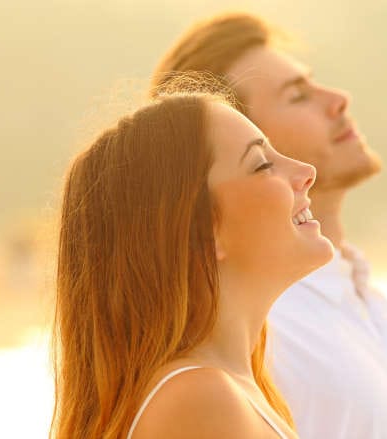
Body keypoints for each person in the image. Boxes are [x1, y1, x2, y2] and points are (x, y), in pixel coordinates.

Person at [152, 13, 387, 438]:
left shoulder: (365, 296)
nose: (338, 99)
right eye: (297, 95)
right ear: (242, 135)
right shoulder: (252, 330)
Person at [51, 90, 334, 439]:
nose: (307, 171)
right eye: (262, 164)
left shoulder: (230, 391)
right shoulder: (201, 400)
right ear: (200, 230)